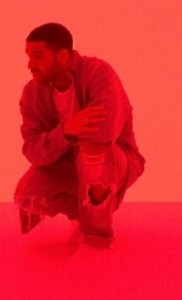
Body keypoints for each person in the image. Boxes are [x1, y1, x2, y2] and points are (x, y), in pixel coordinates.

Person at [14, 22, 145, 251]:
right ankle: (83, 219)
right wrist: (65, 131)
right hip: (68, 163)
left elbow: (103, 134)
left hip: (116, 159)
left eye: (38, 56)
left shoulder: (99, 74)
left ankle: (96, 242)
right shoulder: (32, 93)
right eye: (29, 56)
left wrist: (62, 138)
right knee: (28, 194)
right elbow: (33, 151)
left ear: (63, 56)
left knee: (94, 153)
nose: (30, 65)